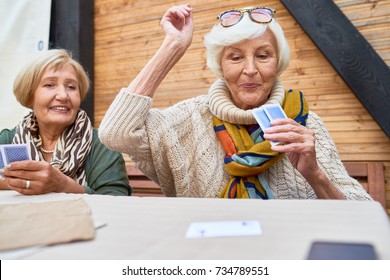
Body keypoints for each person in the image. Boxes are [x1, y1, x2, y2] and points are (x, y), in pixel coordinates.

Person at [99, 4, 371, 200]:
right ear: (220, 65)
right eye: (236, 57)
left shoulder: (305, 124)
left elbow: (361, 212)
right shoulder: (190, 117)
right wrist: (173, 47)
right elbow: (115, 133)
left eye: (263, 56)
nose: (250, 69)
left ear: (278, 64)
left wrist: (315, 174)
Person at [0, 49, 131, 196]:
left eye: (71, 87)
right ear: (29, 95)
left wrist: (63, 185)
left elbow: (118, 200)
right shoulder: (7, 140)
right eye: (50, 85)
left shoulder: (103, 144)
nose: (63, 95)